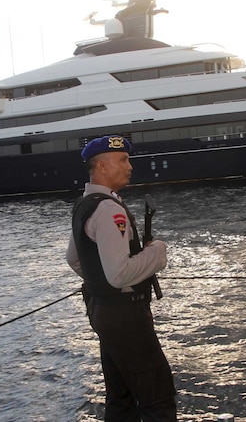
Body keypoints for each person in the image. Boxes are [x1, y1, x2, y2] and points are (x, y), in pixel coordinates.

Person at [66, 135, 177, 421]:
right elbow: (119, 274)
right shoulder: (109, 209)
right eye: (123, 160)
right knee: (158, 398)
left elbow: (75, 259)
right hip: (126, 315)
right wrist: (158, 252)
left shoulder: (85, 204)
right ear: (102, 166)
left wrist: (102, 285)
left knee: (121, 398)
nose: (130, 166)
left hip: (104, 312)